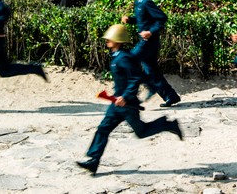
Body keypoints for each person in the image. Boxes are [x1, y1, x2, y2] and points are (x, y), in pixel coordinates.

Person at [76, 24, 182, 174]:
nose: (107, 41)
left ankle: (168, 125)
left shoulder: (124, 58)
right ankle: (94, 160)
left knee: (142, 131)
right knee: (103, 128)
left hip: (127, 105)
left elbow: (135, 78)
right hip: (116, 104)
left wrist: (126, 96)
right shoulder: (116, 57)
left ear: (117, 40)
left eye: (110, 39)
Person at [122, 0, 181, 108]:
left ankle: (131, 98)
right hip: (147, 42)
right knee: (152, 71)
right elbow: (143, 20)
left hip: (148, 42)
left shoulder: (146, 2)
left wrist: (151, 32)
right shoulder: (139, 2)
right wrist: (130, 20)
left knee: (127, 61)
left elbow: (162, 18)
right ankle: (171, 96)